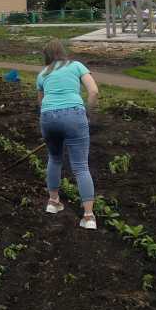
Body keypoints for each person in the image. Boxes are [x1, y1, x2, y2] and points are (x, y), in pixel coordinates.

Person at [36, 39, 100, 229]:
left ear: (46, 56)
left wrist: (53, 121)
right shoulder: (77, 66)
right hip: (74, 115)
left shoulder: (43, 74)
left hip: (48, 118)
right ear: (62, 52)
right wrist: (86, 113)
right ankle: (88, 217)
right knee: (80, 166)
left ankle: (53, 202)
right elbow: (94, 91)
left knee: (54, 159)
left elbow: (41, 103)